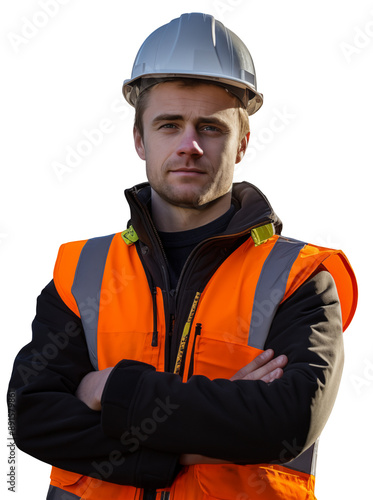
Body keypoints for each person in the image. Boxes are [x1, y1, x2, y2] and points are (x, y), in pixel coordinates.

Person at [8, 12, 358, 500]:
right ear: (139, 140)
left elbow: (286, 423)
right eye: (169, 125)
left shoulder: (298, 277)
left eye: (210, 128)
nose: (189, 145)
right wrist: (198, 441)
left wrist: (107, 390)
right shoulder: (83, 272)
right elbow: (33, 418)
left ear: (243, 144)